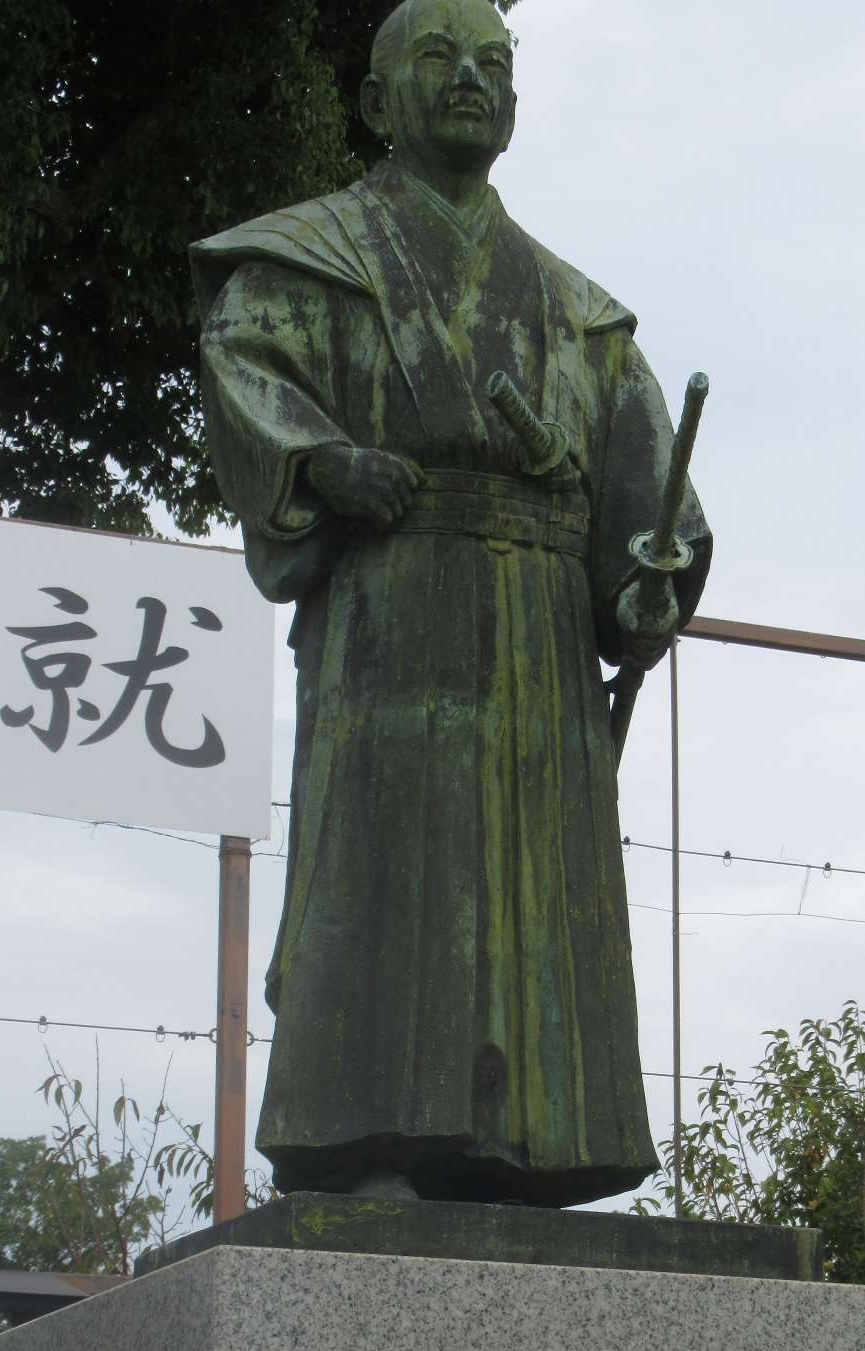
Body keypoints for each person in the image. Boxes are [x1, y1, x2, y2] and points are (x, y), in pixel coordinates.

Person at [193, 0, 710, 1206]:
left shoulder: (582, 315)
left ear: (518, 105)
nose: (470, 80)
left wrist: (647, 581)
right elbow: (246, 363)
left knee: (537, 885)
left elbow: (651, 510)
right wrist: (324, 460)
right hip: (394, 603)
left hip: (537, 638)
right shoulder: (307, 257)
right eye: (438, 60)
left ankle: (542, 1144)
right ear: (376, 101)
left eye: (494, 64)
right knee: (389, 864)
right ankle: (372, 1131)